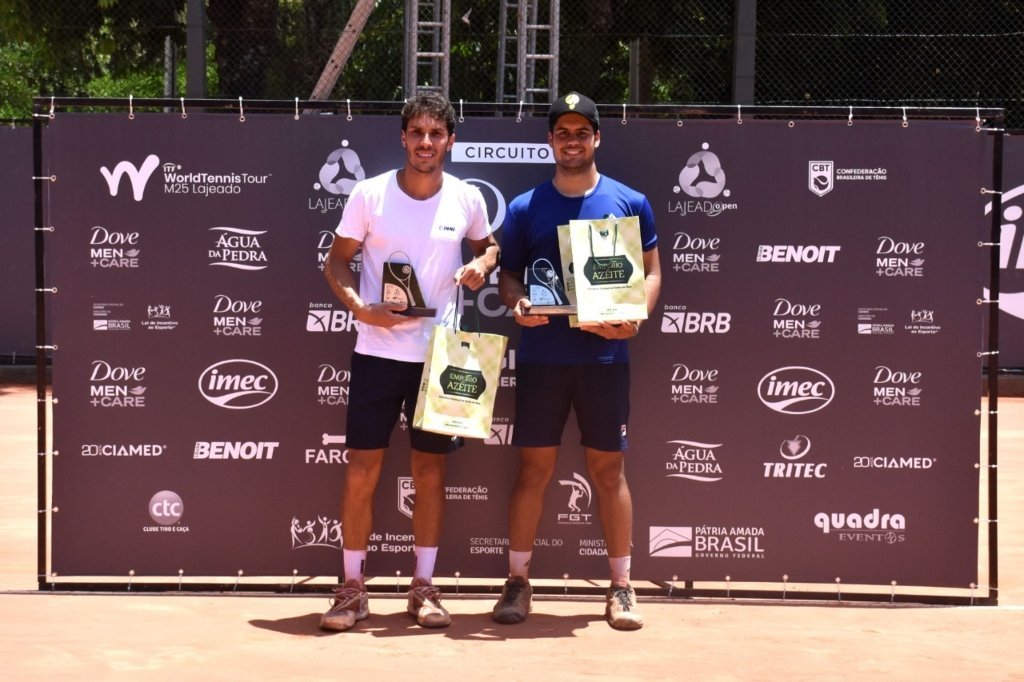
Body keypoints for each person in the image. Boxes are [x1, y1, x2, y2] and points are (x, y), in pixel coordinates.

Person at [320, 92, 499, 631]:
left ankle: (423, 587)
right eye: (417, 133)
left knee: (430, 472)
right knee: (362, 472)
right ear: (403, 138)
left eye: (436, 134)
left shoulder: (466, 198)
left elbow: (490, 248)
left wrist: (481, 264)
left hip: (440, 358)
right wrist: (361, 310)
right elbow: (336, 262)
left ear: (450, 141)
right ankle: (352, 589)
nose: (426, 142)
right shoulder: (369, 194)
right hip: (376, 352)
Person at [492, 91, 661, 630]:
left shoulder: (630, 201)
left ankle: (621, 587)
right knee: (533, 471)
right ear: (551, 141)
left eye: (581, 131)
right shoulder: (524, 207)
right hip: (543, 356)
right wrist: (517, 302)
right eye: (562, 132)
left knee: (609, 471)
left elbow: (653, 272)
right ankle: (518, 582)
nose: (571, 140)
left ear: (596, 138)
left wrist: (636, 315)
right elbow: (509, 274)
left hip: (605, 356)